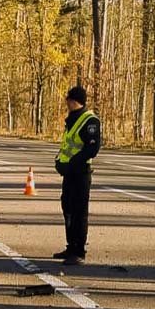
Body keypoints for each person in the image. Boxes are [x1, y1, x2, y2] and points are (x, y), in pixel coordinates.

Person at [52, 86, 101, 266]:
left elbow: (92, 149)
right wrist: (59, 161)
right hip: (69, 173)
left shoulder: (90, 121)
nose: (66, 102)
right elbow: (68, 145)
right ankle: (71, 246)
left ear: (73, 100)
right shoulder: (72, 119)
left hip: (80, 173)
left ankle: (79, 251)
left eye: (68, 99)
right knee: (68, 208)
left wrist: (71, 163)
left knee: (79, 212)